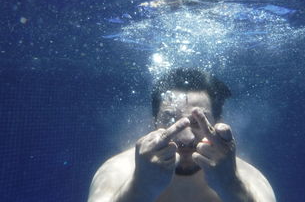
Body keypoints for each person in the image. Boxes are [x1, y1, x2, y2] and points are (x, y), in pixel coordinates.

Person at [88, 68, 276, 202]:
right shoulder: (119, 171)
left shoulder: (247, 178)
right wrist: (140, 187)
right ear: (154, 121)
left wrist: (231, 186)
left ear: (218, 121)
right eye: (170, 120)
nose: (186, 138)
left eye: (198, 122)